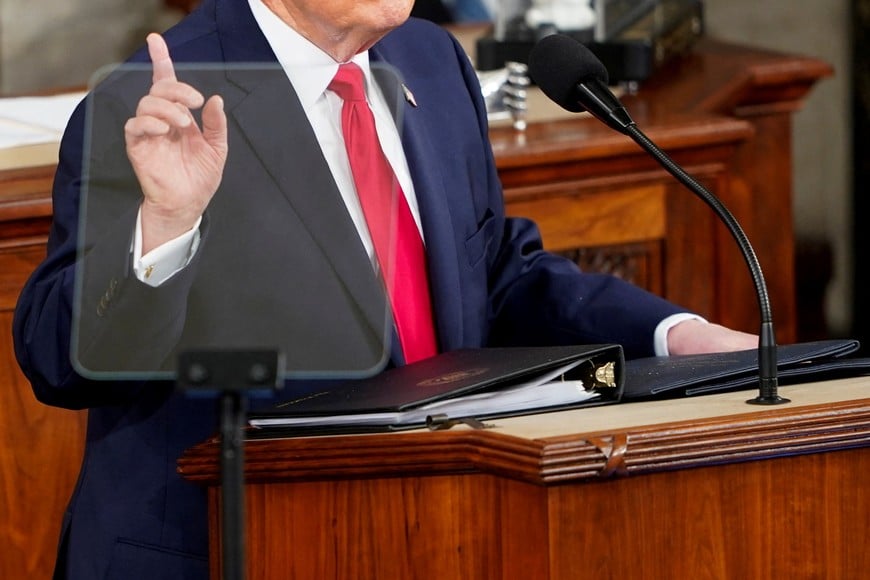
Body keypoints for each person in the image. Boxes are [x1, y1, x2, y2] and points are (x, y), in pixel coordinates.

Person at [12, 0, 757, 578]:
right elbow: (58, 358)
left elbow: (496, 270)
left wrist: (678, 336)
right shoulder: (156, 100)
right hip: (224, 549)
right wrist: (166, 224)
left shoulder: (429, 60)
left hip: (432, 533)